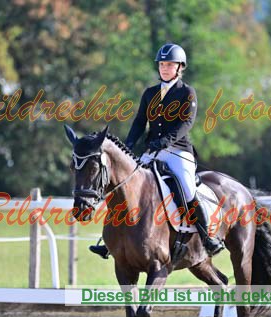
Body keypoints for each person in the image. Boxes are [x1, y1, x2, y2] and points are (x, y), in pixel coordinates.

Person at [89, 43, 224, 259]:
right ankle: (110, 240)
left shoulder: (187, 92)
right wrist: (128, 145)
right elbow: (139, 122)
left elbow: (186, 123)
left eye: (169, 65)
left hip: (179, 151)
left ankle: (207, 236)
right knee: (126, 184)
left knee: (187, 189)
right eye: (162, 64)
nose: (164, 68)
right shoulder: (150, 93)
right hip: (152, 151)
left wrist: (165, 141)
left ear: (179, 67)